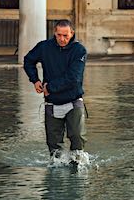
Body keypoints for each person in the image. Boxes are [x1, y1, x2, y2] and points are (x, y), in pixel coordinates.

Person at [23, 19, 88, 162]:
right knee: (53, 145)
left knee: (77, 138)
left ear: (72, 33)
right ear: (54, 33)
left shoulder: (79, 50)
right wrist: (35, 80)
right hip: (52, 102)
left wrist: (49, 87)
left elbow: (74, 78)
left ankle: (76, 165)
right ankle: (57, 168)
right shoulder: (44, 47)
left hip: (73, 101)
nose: (62, 39)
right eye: (59, 35)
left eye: (66, 36)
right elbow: (28, 61)